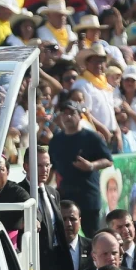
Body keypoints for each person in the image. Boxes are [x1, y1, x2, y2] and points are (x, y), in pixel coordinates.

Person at [47, 100, 114, 236]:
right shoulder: (56, 140)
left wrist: (91, 166)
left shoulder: (92, 137)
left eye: (72, 113)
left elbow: (108, 161)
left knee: (92, 235)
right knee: (64, 236)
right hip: (65, 196)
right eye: (64, 113)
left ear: (80, 116)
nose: (68, 117)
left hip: (88, 195)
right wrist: (44, 188)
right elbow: (51, 168)